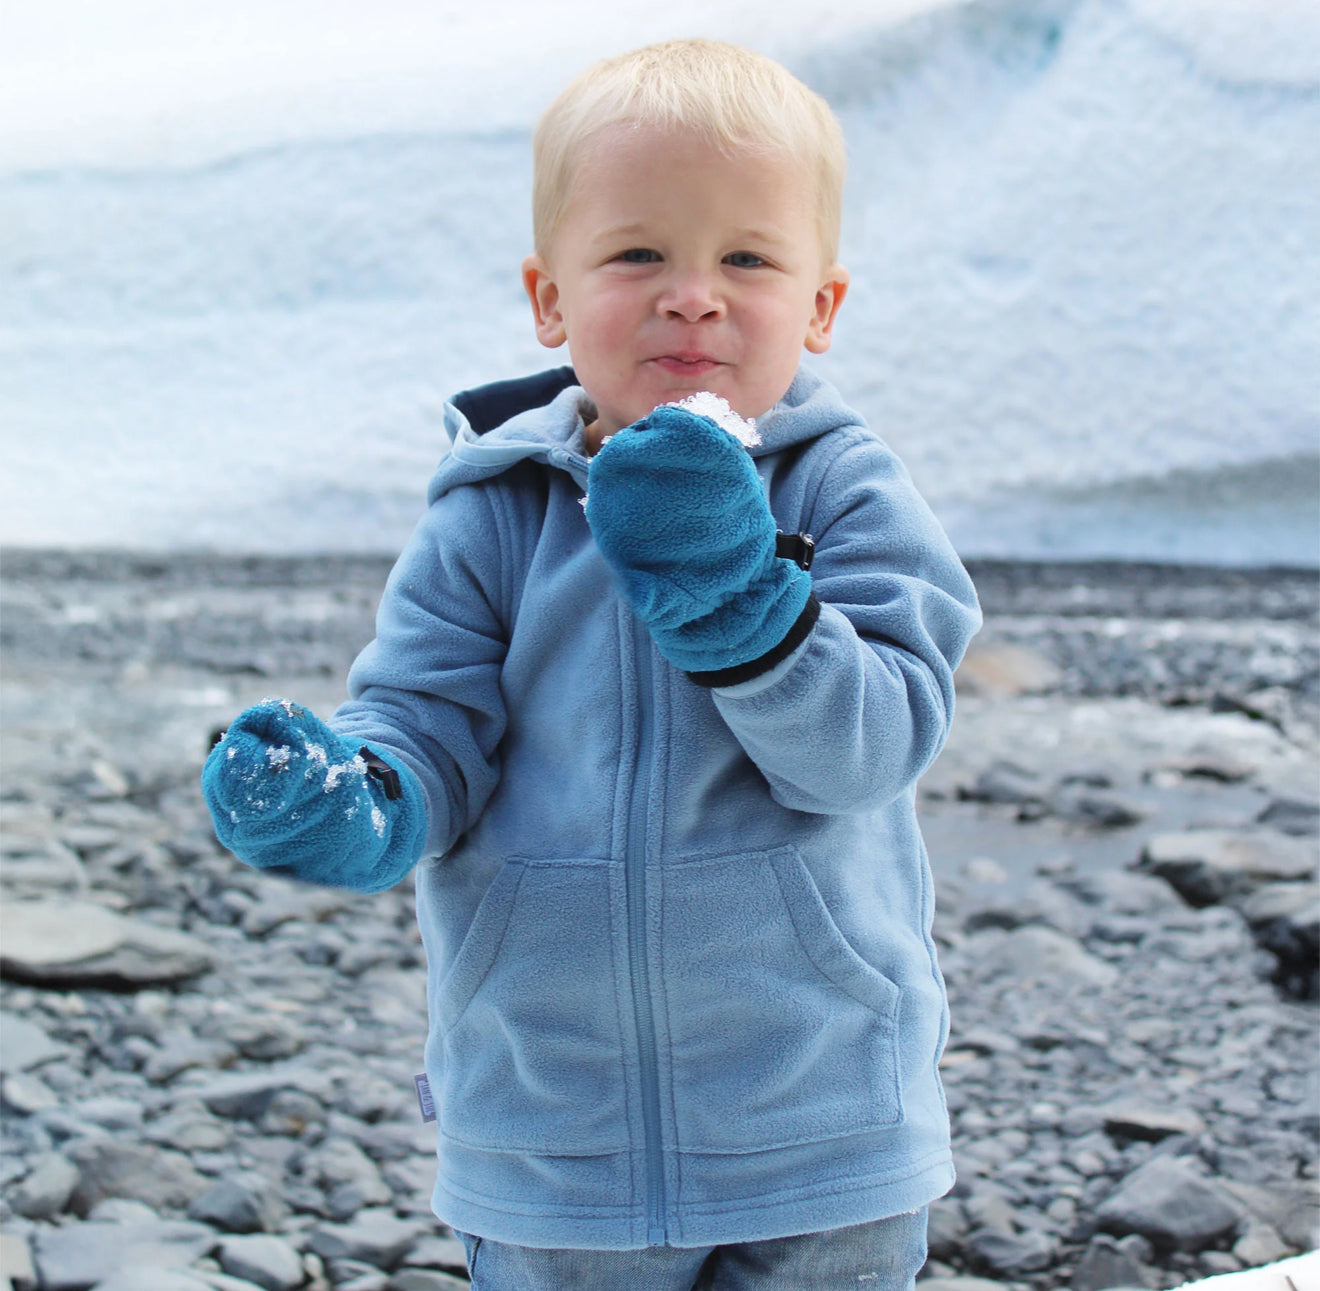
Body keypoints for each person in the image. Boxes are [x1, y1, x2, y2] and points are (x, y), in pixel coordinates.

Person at [202, 38, 981, 1291]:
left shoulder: (844, 489)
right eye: (638, 255)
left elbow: (873, 744)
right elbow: (422, 726)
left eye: (746, 258)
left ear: (822, 306)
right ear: (549, 298)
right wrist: (356, 800)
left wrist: (740, 593)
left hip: (822, 1115)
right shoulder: (494, 513)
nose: (693, 295)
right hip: (552, 1130)